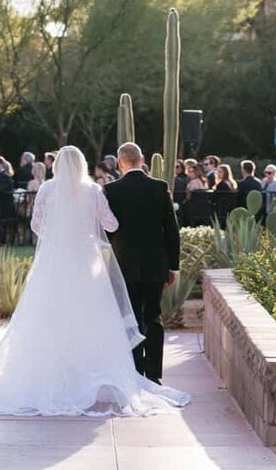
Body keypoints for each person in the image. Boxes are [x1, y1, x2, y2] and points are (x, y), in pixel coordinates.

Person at [0, 143, 190, 416]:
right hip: (86, 263)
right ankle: (107, 374)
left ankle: (54, 376)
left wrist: (57, 238)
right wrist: (89, 234)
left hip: (55, 264)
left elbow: (36, 226)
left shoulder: (47, 188)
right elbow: (111, 225)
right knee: (91, 317)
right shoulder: (93, 190)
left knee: (50, 317)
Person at [104, 143, 185, 388]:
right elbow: (171, 230)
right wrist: (172, 266)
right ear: (143, 159)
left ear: (120, 162)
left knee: (130, 317)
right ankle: (154, 373)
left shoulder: (111, 190)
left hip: (124, 265)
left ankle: (136, 369)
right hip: (154, 264)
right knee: (153, 316)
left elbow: (107, 231)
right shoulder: (160, 188)